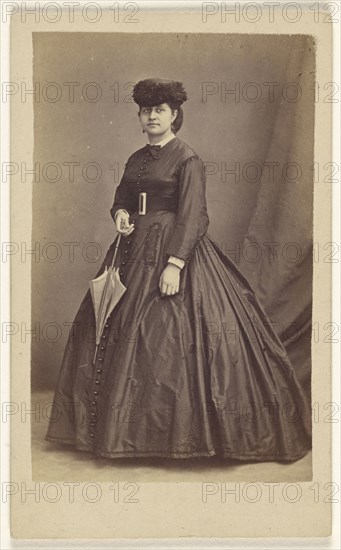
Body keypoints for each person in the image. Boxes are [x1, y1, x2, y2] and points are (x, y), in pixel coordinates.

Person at [45, 77, 311, 462]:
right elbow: (121, 196)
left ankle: (175, 436)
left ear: (174, 116)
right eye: (146, 110)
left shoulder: (187, 158)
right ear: (139, 116)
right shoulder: (136, 158)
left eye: (160, 110)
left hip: (171, 250)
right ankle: (120, 431)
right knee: (112, 325)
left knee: (168, 339)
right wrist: (120, 214)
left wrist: (175, 265)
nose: (152, 116)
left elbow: (194, 216)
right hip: (132, 248)